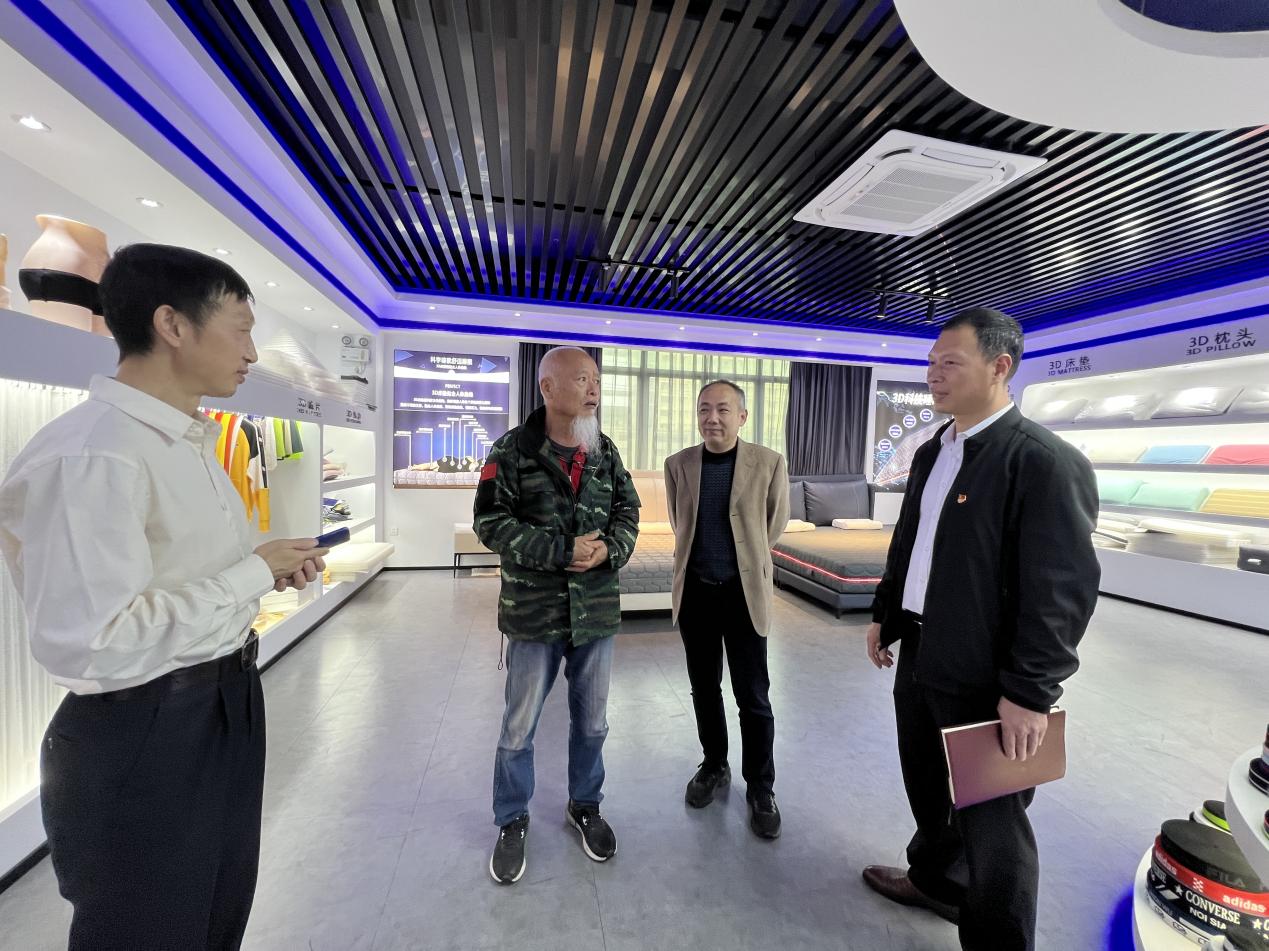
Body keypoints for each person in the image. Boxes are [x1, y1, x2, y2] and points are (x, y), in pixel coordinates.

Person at [0, 243, 328, 950]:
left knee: (215, 911)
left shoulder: (186, 442)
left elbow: (178, 578)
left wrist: (263, 571)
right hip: (143, 727)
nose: (251, 352)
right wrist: (250, 573)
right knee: (148, 925)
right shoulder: (92, 454)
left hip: (221, 702)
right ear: (173, 324)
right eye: (241, 329)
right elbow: (97, 642)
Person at [861, 308, 1100, 951]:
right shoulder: (934, 451)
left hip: (990, 676)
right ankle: (936, 882)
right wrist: (885, 614)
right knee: (925, 783)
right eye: (931, 362)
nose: (933, 375)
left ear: (1000, 367)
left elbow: (1061, 592)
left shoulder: (1043, 462)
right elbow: (910, 544)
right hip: (922, 650)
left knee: (995, 824)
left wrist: (1029, 693)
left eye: (950, 363)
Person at [474, 346, 640, 885]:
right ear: (547, 387)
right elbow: (490, 523)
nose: (594, 389)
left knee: (592, 723)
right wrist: (560, 550)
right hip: (534, 614)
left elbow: (628, 512)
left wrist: (609, 549)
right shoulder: (512, 450)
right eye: (582, 379)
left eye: (596, 380)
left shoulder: (604, 450)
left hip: (596, 612)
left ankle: (584, 805)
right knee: (518, 727)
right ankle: (511, 818)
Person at [664, 380, 790, 838]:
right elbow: (680, 523)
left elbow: (774, 523)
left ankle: (761, 786)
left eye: (722, 409)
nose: (711, 418)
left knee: (753, 696)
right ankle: (714, 764)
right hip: (696, 594)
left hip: (743, 595)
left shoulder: (769, 462)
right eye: (704, 409)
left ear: (742, 416)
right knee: (704, 688)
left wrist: (746, 559)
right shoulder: (678, 464)